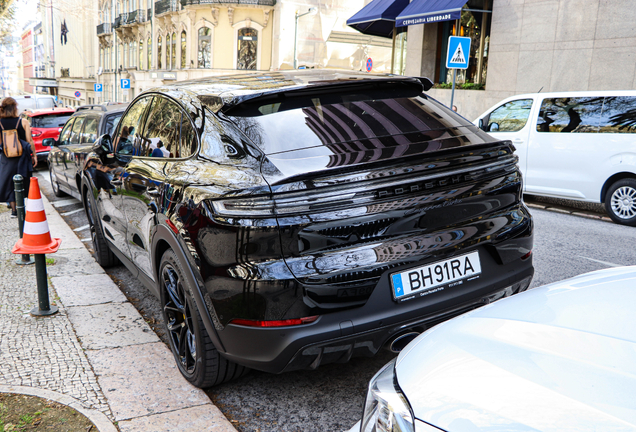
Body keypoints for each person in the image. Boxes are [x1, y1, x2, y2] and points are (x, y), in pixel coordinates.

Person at [0, 97, 37, 218]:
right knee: (23, 180)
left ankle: (14, 211)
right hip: (22, 157)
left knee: (9, 183)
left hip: (7, 158)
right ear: (15, 108)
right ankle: (23, 208)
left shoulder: (0, 122)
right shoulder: (23, 122)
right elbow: (29, 141)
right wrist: (34, 156)